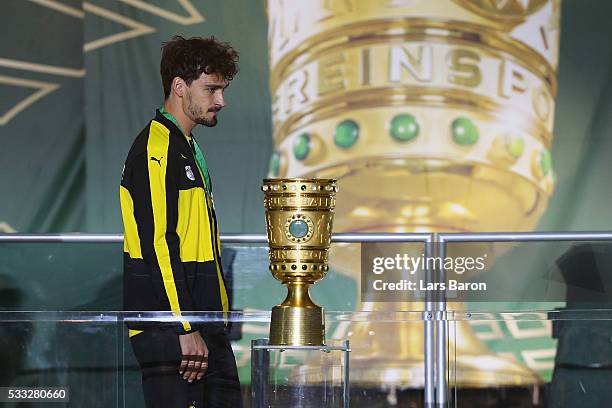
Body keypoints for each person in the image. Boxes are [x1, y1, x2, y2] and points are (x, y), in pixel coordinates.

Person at [119, 35, 242, 408]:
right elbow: (158, 244)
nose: (220, 100)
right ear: (178, 86)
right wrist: (184, 327)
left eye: (221, 89)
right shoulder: (156, 149)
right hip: (175, 332)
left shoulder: (186, 146)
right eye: (211, 89)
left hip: (201, 325)